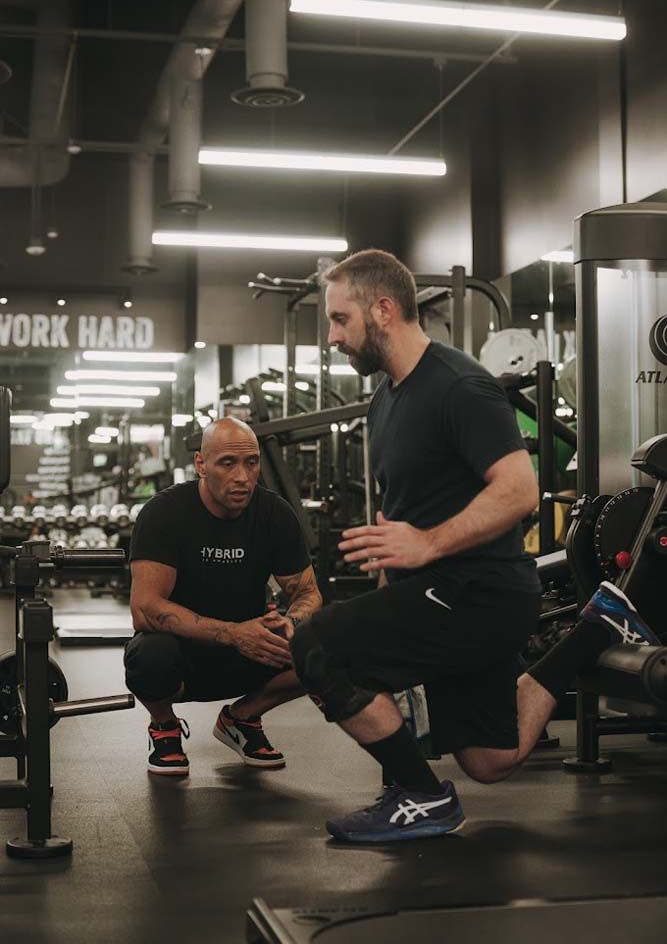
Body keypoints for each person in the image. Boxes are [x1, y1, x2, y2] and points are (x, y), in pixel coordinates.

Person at [290, 248, 659, 843]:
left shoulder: (460, 386)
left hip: (478, 594)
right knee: (492, 759)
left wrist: (424, 546)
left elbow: (519, 491)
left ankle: (420, 796)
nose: (332, 337)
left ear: (383, 309)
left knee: (316, 647)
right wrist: (392, 583)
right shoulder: (387, 397)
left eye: (339, 319)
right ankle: (598, 626)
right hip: (440, 595)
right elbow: (402, 520)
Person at [125, 417, 322, 776]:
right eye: (227, 463)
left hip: (250, 652)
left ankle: (242, 719)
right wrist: (234, 633)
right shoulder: (164, 513)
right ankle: (164, 725)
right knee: (147, 655)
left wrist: (290, 623)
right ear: (201, 464)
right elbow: (145, 610)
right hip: (181, 655)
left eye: (251, 463)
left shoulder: (274, 513)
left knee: (324, 644)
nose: (243, 477)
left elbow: (307, 593)